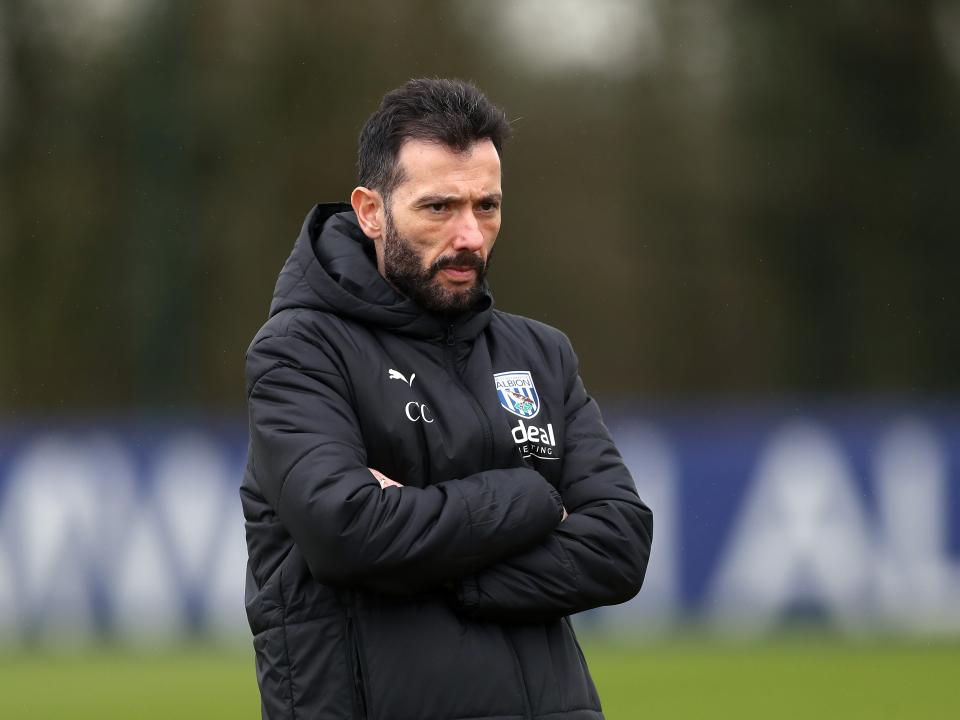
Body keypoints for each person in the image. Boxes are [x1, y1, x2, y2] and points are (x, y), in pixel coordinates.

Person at [241, 78, 653, 720]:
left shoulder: (541, 353)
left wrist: (430, 564)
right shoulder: (299, 350)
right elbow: (345, 532)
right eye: (439, 207)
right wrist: (533, 499)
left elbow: (620, 545)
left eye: (486, 207)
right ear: (371, 212)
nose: (470, 236)